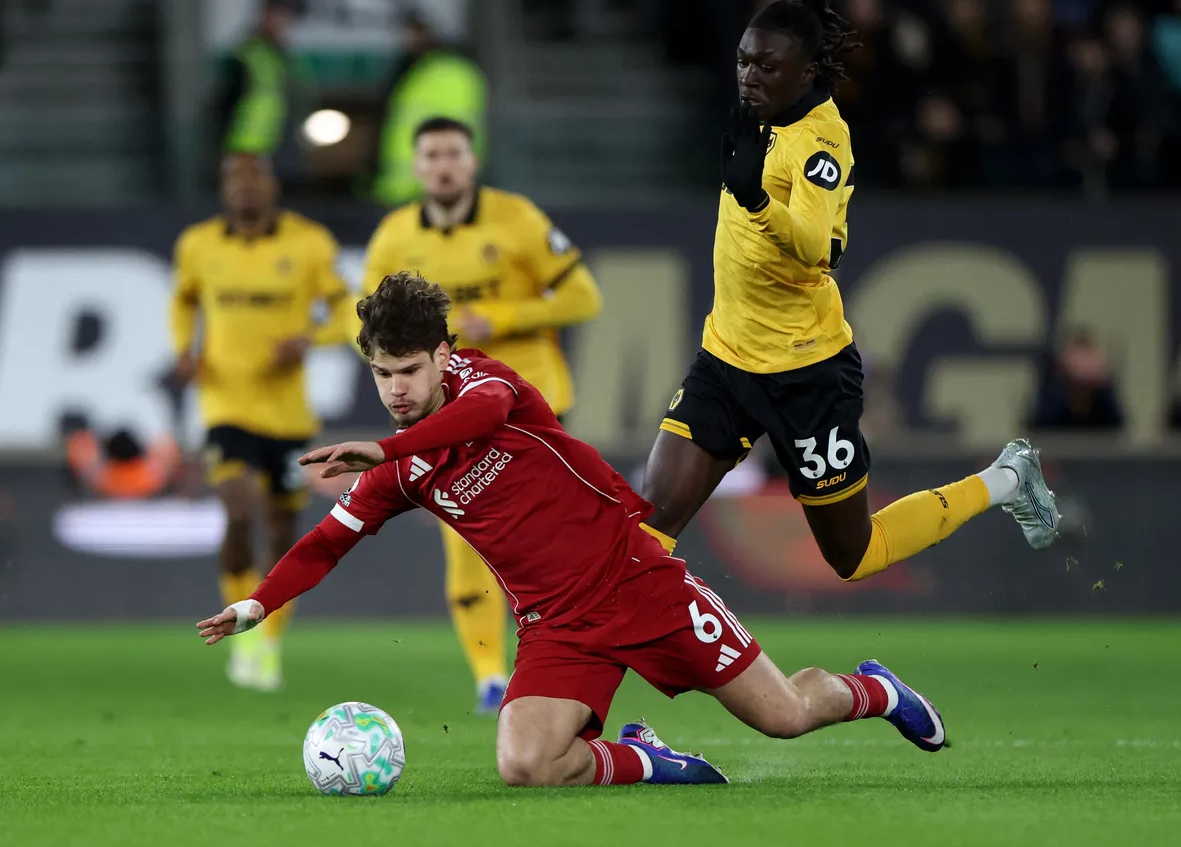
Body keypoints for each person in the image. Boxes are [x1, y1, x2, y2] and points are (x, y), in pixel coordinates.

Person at [197, 272, 949, 788]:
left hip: (638, 582)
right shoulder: (402, 469)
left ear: (444, 357)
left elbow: (481, 416)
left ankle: (873, 691)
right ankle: (649, 762)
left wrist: (387, 447)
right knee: (526, 766)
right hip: (557, 626)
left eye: (410, 370)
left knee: (783, 716)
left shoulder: (492, 387)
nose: (397, 389)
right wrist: (258, 605)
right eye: (383, 374)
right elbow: (329, 540)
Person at [639, 0, 1061, 581]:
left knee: (853, 555)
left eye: (766, 64)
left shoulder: (821, 141)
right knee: (649, 525)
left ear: (807, 72)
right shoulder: (756, 112)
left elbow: (817, 248)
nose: (748, 76)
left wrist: (756, 197)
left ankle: (1005, 479)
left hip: (805, 372)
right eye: (743, 60)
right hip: (727, 358)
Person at [360, 116, 603, 714]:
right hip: (452, 413)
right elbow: (366, 329)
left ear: (473, 162)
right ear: (416, 167)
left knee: (545, 543)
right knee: (466, 542)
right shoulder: (393, 237)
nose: (444, 164)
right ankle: (491, 677)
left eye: (454, 153)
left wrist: (506, 317)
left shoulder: (517, 218)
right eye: (432, 154)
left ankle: (572, 658)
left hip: (529, 408)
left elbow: (584, 296)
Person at [171, 154, 353, 691]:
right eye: (234, 178)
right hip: (224, 405)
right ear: (224, 188)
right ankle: (242, 634)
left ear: (272, 185)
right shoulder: (198, 245)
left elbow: (347, 312)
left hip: (288, 415)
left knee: (279, 529)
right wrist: (184, 349)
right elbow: (183, 302)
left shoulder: (309, 243)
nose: (245, 188)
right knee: (236, 507)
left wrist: (309, 339)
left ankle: (265, 642)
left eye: (255, 177)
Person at [373, 14, 488, 207]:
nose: (408, 42)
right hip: (415, 183)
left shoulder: (446, 75)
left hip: (430, 184)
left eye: (414, 35)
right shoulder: (421, 72)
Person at [215, 0, 314, 175]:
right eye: (274, 14)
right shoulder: (245, 55)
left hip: (282, 150)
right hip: (247, 150)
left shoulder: (285, 57)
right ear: (262, 14)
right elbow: (224, 106)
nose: (279, 22)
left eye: (284, 16)